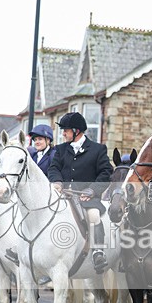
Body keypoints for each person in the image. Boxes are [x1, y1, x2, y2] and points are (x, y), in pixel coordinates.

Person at [48, 112, 113, 273]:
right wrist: (56, 181)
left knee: (93, 215)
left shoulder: (98, 150)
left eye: (66, 130)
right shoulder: (61, 149)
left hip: (87, 197)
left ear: (77, 131)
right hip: (63, 197)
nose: (63, 133)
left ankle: (98, 252)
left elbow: (106, 173)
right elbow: (53, 168)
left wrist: (92, 190)